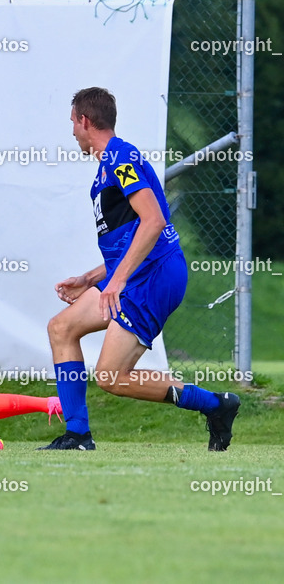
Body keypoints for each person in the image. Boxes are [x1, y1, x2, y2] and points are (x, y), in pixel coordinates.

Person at [41, 87, 239, 451]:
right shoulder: (106, 167)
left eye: (72, 122)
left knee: (111, 377)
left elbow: (153, 222)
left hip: (154, 277)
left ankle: (217, 405)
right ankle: (77, 436)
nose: (71, 131)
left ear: (85, 121)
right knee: (61, 328)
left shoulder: (120, 157)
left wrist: (116, 281)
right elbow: (132, 240)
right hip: (134, 276)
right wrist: (90, 278)